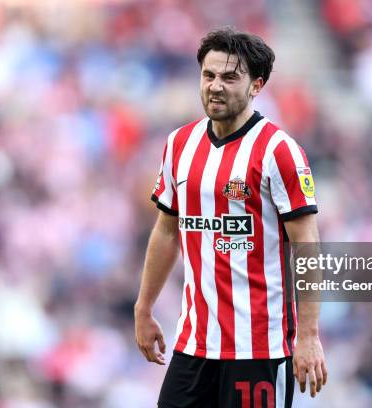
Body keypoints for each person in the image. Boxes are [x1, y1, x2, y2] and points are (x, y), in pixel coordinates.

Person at [135, 27, 327, 407]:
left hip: (260, 349)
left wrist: (308, 335)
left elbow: (306, 247)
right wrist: (144, 307)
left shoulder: (279, 151)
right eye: (208, 75)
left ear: (256, 85)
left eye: (229, 77)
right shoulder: (179, 144)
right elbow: (166, 232)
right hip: (195, 344)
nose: (215, 86)